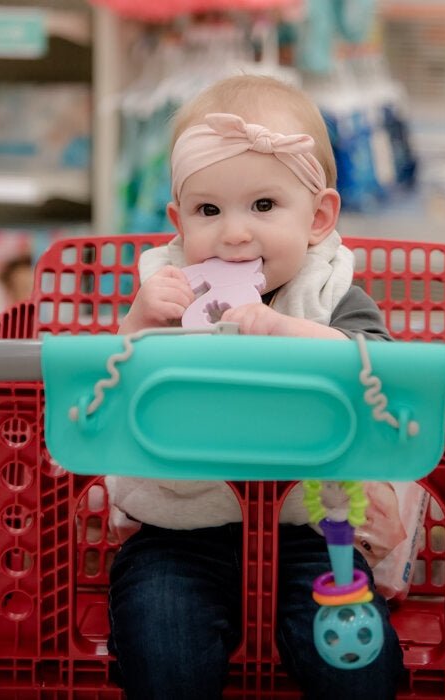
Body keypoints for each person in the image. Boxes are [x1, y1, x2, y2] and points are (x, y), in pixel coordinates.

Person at [106, 73, 405, 700]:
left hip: (315, 536)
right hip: (180, 530)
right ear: (178, 221)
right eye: (208, 211)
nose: (235, 233)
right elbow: (107, 387)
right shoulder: (167, 290)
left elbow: (382, 373)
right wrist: (137, 324)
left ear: (319, 217)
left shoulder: (330, 295)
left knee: (359, 670)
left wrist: (283, 329)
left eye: (264, 207)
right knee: (163, 654)